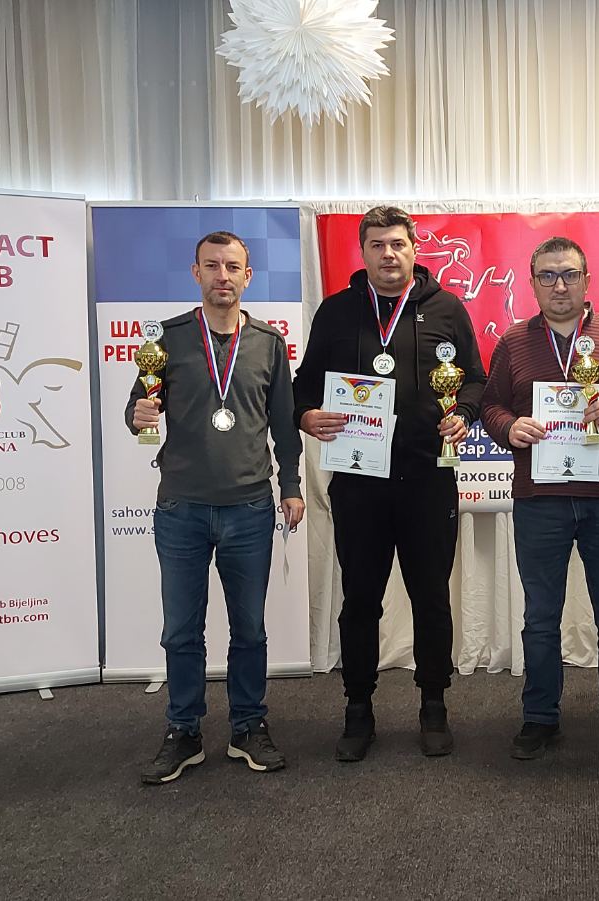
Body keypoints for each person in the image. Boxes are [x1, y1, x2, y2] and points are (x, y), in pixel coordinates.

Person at [293, 206, 485, 762]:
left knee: (432, 600)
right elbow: (304, 385)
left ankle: (434, 706)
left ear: (414, 248)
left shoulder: (447, 308)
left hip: (428, 482)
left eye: (397, 243)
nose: (388, 254)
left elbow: (475, 379)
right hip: (359, 485)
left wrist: (463, 413)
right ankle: (358, 709)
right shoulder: (337, 311)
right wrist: (307, 415)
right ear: (363, 252)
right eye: (376, 245)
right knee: (360, 602)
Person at [128, 230, 305, 785]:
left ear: (247, 277)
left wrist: (292, 486)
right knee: (181, 631)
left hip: (249, 508)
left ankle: (248, 726)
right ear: (196, 273)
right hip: (181, 508)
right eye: (212, 266)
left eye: (232, 267)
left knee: (249, 629)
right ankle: (183, 731)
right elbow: (136, 408)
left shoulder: (270, 344)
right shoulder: (167, 339)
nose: (222, 276)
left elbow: (284, 427)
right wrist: (138, 416)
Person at [479, 236, 599, 763]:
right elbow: (489, 406)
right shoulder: (513, 342)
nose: (560, 285)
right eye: (548, 276)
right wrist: (510, 427)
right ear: (533, 284)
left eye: (569, 274)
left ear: (587, 280)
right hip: (540, 502)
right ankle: (539, 717)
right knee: (540, 618)